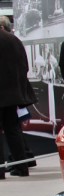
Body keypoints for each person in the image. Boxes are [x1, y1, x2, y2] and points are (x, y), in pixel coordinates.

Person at [0, 16, 36, 178]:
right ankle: (21, 167)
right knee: (13, 130)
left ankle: (0, 170)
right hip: (13, 94)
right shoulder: (14, 40)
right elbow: (25, 66)